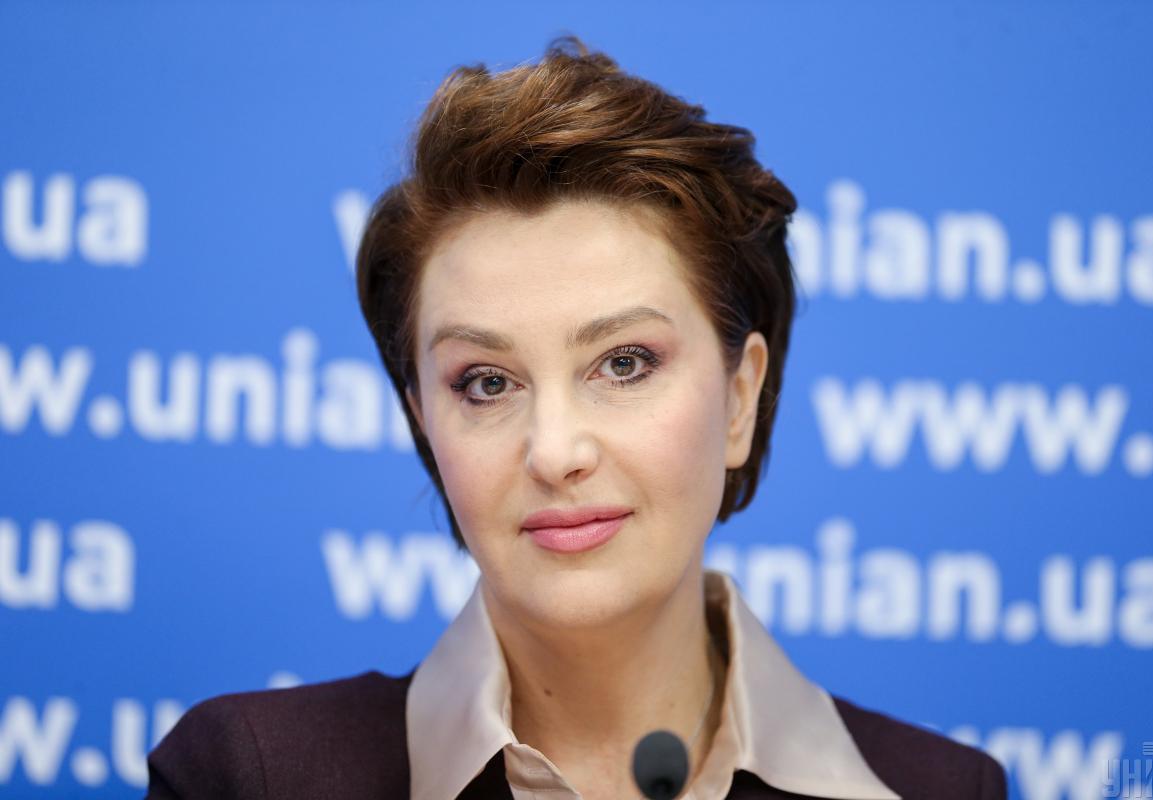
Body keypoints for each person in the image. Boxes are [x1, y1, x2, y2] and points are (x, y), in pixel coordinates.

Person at [145, 35, 1008, 800]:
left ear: (741, 398)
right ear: (425, 425)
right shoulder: (251, 776)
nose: (554, 452)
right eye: (486, 383)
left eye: (624, 364)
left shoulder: (940, 791)